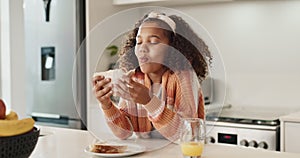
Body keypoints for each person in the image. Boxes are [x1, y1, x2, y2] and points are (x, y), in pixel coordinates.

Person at [92, 11, 212, 142]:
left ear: (173, 48)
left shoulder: (184, 77)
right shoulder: (135, 78)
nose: (143, 48)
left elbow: (188, 134)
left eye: (153, 42)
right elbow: (124, 133)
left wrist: (149, 101)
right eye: (138, 42)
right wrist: (106, 105)